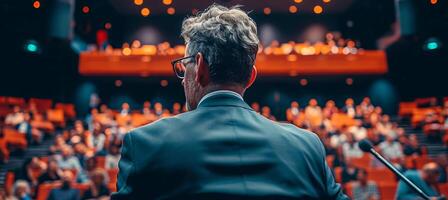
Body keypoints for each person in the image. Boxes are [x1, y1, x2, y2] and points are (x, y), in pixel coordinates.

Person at [112, 4, 347, 200]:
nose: (183, 80)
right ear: (250, 77)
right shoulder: (306, 147)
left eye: (186, 66)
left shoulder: (144, 144)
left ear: (200, 67)